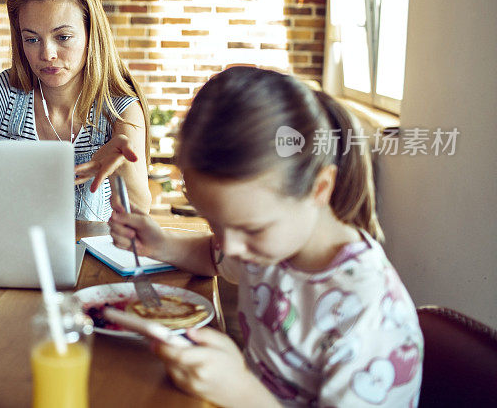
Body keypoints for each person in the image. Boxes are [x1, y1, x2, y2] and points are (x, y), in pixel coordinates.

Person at [109, 66, 424, 407]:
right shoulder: (266, 247)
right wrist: (160, 244)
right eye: (215, 224)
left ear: (320, 188)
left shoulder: (370, 314)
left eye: (250, 229)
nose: (229, 245)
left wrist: (242, 392)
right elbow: (216, 258)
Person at [0, 0, 151, 220]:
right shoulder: (4, 93)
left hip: (90, 258)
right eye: (31, 39)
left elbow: (140, 215)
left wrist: (123, 169)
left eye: (63, 37)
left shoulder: (120, 108)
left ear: (91, 35)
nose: (47, 54)